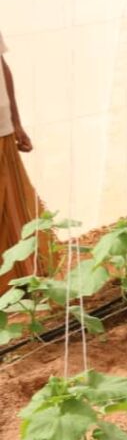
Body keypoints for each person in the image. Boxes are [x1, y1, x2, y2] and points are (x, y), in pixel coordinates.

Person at [0, 32, 51, 292]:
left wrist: (17, 123)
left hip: (3, 128)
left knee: (15, 204)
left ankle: (25, 279)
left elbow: (2, 66)